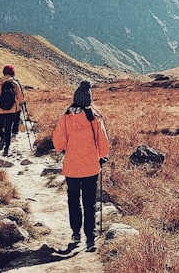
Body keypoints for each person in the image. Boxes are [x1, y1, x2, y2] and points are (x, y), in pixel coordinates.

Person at [53, 80, 110, 251]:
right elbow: (104, 144)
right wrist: (101, 156)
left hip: (71, 167)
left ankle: (75, 232)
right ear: (89, 100)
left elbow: (58, 142)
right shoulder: (95, 119)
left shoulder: (66, 117)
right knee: (89, 202)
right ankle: (90, 238)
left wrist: (63, 150)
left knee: (73, 200)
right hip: (91, 168)